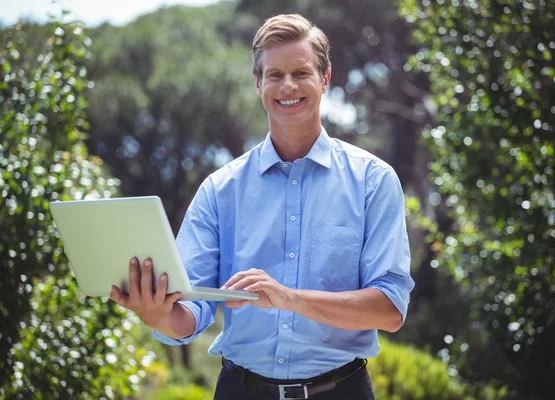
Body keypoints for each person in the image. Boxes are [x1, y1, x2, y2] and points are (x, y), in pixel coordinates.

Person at [110, 13, 415, 399]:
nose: (287, 85)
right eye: (274, 75)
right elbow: (188, 313)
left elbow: (389, 309)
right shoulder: (220, 190)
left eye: (301, 73)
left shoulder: (373, 180)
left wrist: (290, 297)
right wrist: (155, 313)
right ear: (258, 84)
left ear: (325, 78)